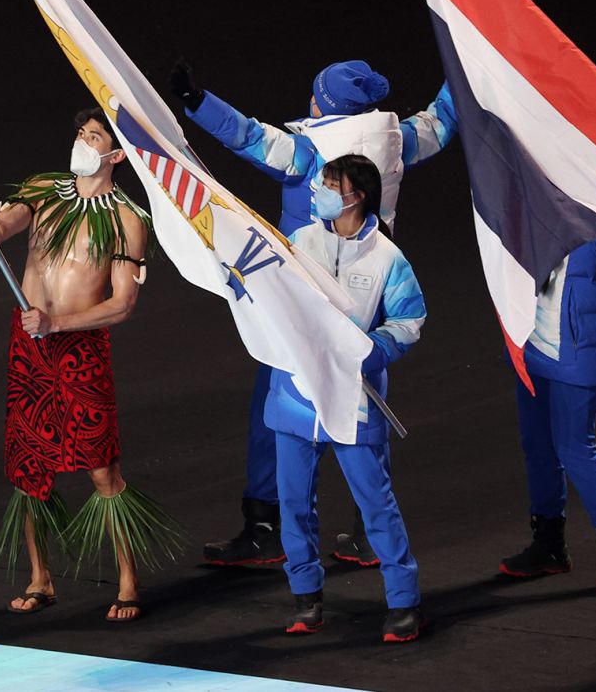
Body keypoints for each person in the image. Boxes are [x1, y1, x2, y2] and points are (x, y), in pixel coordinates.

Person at [168, 59, 454, 567]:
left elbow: (247, 137)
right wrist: (467, 63)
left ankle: (265, 527)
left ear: (326, 103)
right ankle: (370, 533)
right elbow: (444, 119)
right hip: (366, 298)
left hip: (302, 300)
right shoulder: (398, 142)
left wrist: (196, 102)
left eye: (315, 96)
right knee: (363, 413)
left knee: (279, 411)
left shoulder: (309, 153)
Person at [0, 108, 179, 623]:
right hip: (29, 345)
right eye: (80, 133)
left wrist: (57, 325)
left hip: (77, 347)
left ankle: (128, 579)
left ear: (115, 154)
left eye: (93, 136)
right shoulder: (42, 190)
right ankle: (40, 578)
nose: (81, 141)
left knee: (101, 465)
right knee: (29, 464)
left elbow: (122, 304)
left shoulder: (126, 220)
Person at [270, 154, 427, 642]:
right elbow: (271, 298)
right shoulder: (299, 243)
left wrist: (368, 352)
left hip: (355, 401)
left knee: (376, 503)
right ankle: (306, 597)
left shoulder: (387, 258)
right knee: (293, 502)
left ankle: (403, 602)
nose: (319, 191)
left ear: (355, 196)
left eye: (329, 185)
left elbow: (409, 321)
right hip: (296, 396)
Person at [495, 229, 596, 593]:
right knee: (539, 447)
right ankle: (549, 545)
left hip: (578, 347)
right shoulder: (541, 204)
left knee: (575, 447)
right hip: (533, 345)